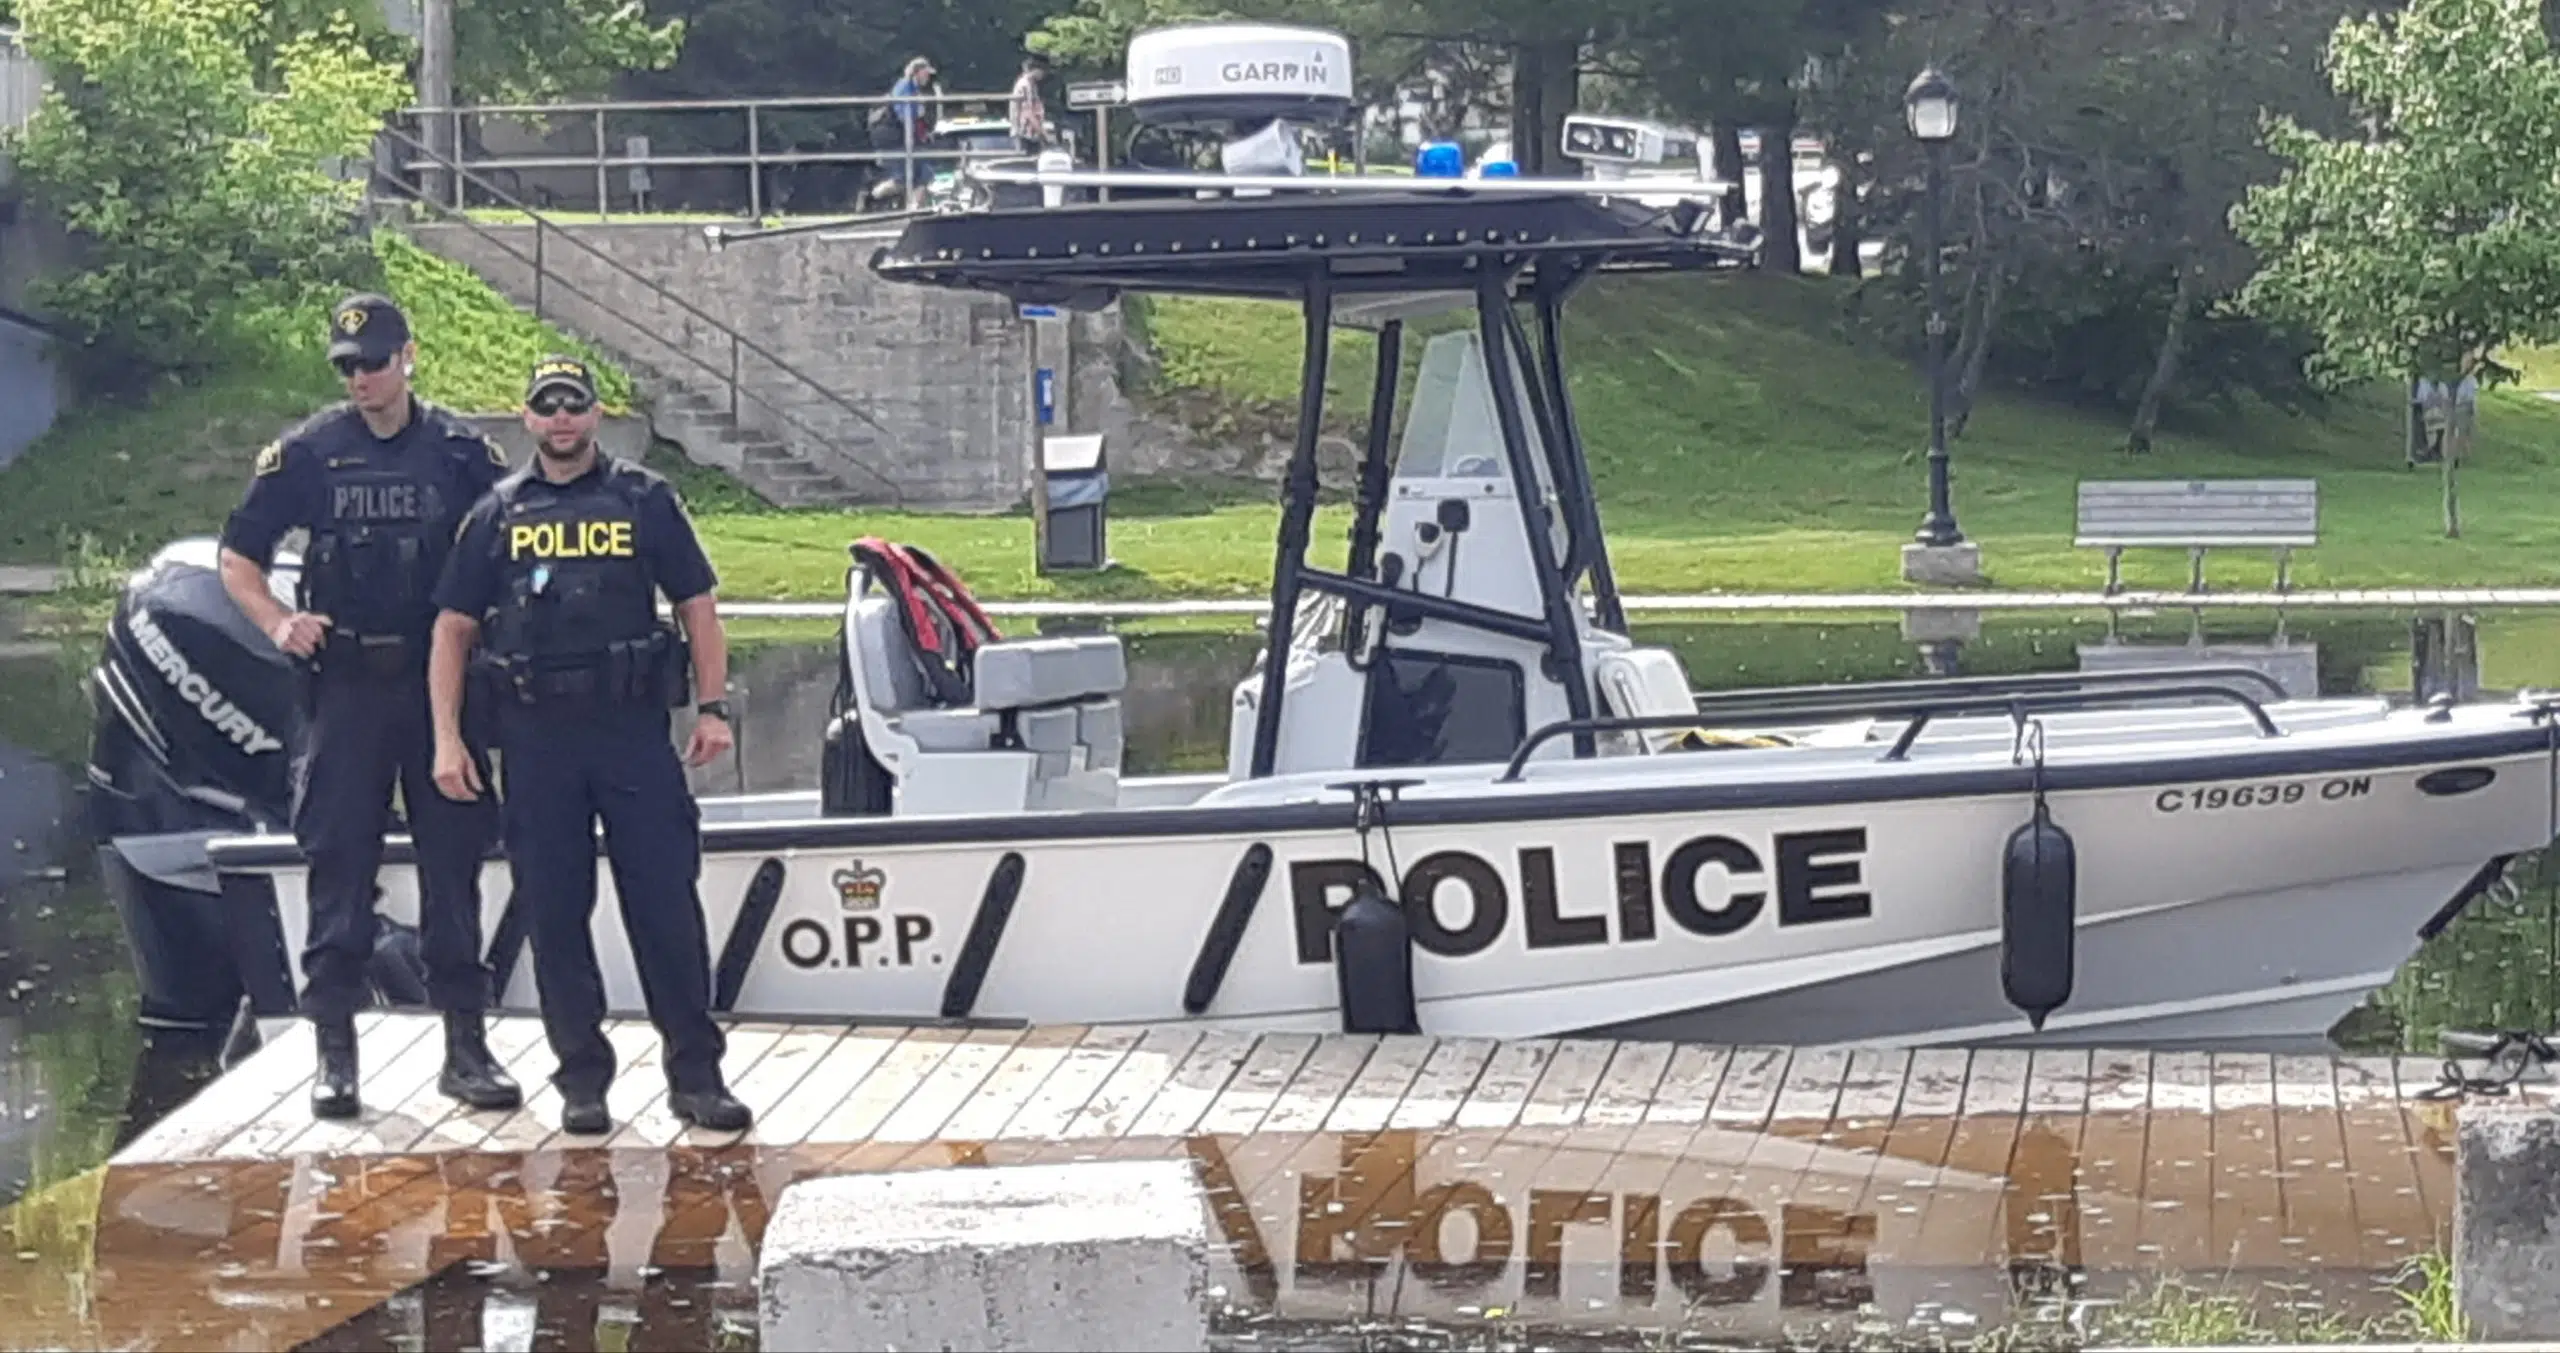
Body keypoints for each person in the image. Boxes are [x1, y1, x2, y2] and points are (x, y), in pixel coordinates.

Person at [215, 292, 522, 1120]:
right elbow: (238, 558)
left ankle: (466, 1046)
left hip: (438, 685)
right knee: (339, 865)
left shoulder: (461, 452)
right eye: (347, 366)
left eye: (374, 362)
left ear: (409, 357)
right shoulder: (308, 455)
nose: (361, 378)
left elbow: (516, 541)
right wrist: (279, 620)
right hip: (345, 687)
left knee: (453, 863)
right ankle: (336, 1055)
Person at [426, 355, 749, 1136]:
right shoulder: (497, 513)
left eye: (574, 405)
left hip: (631, 732)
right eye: (547, 406)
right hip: (536, 740)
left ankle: (696, 1078)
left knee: (666, 904)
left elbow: (697, 604)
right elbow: (453, 629)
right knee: (555, 910)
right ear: (528, 417)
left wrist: (712, 707)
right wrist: (446, 738)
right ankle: (581, 1079)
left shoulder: (644, 499)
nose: (561, 418)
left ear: (595, 414)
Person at [1010, 55, 1050, 153]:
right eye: (1042, 71)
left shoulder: (1032, 85)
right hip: (1024, 133)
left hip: (1031, 133)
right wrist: (1041, 132)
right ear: (1035, 70)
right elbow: (1027, 112)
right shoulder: (1024, 85)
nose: (1044, 74)